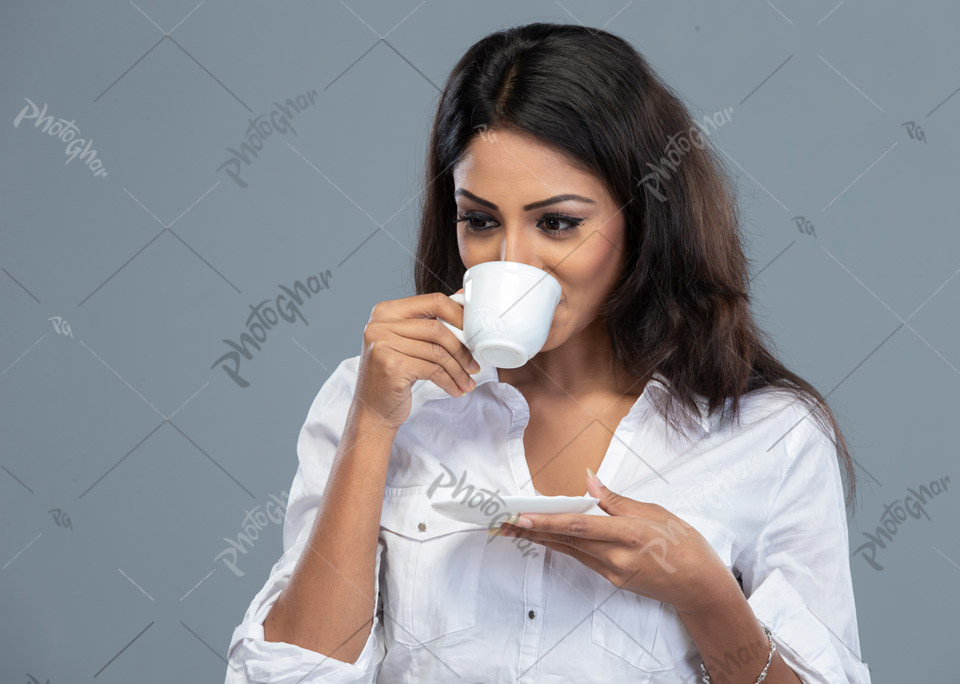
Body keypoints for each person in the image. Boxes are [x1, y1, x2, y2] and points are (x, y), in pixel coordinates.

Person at [225, 22, 871, 683]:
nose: (513, 260)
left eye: (557, 223)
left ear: (645, 219)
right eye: (479, 220)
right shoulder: (375, 397)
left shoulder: (771, 436)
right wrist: (370, 426)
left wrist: (705, 593)